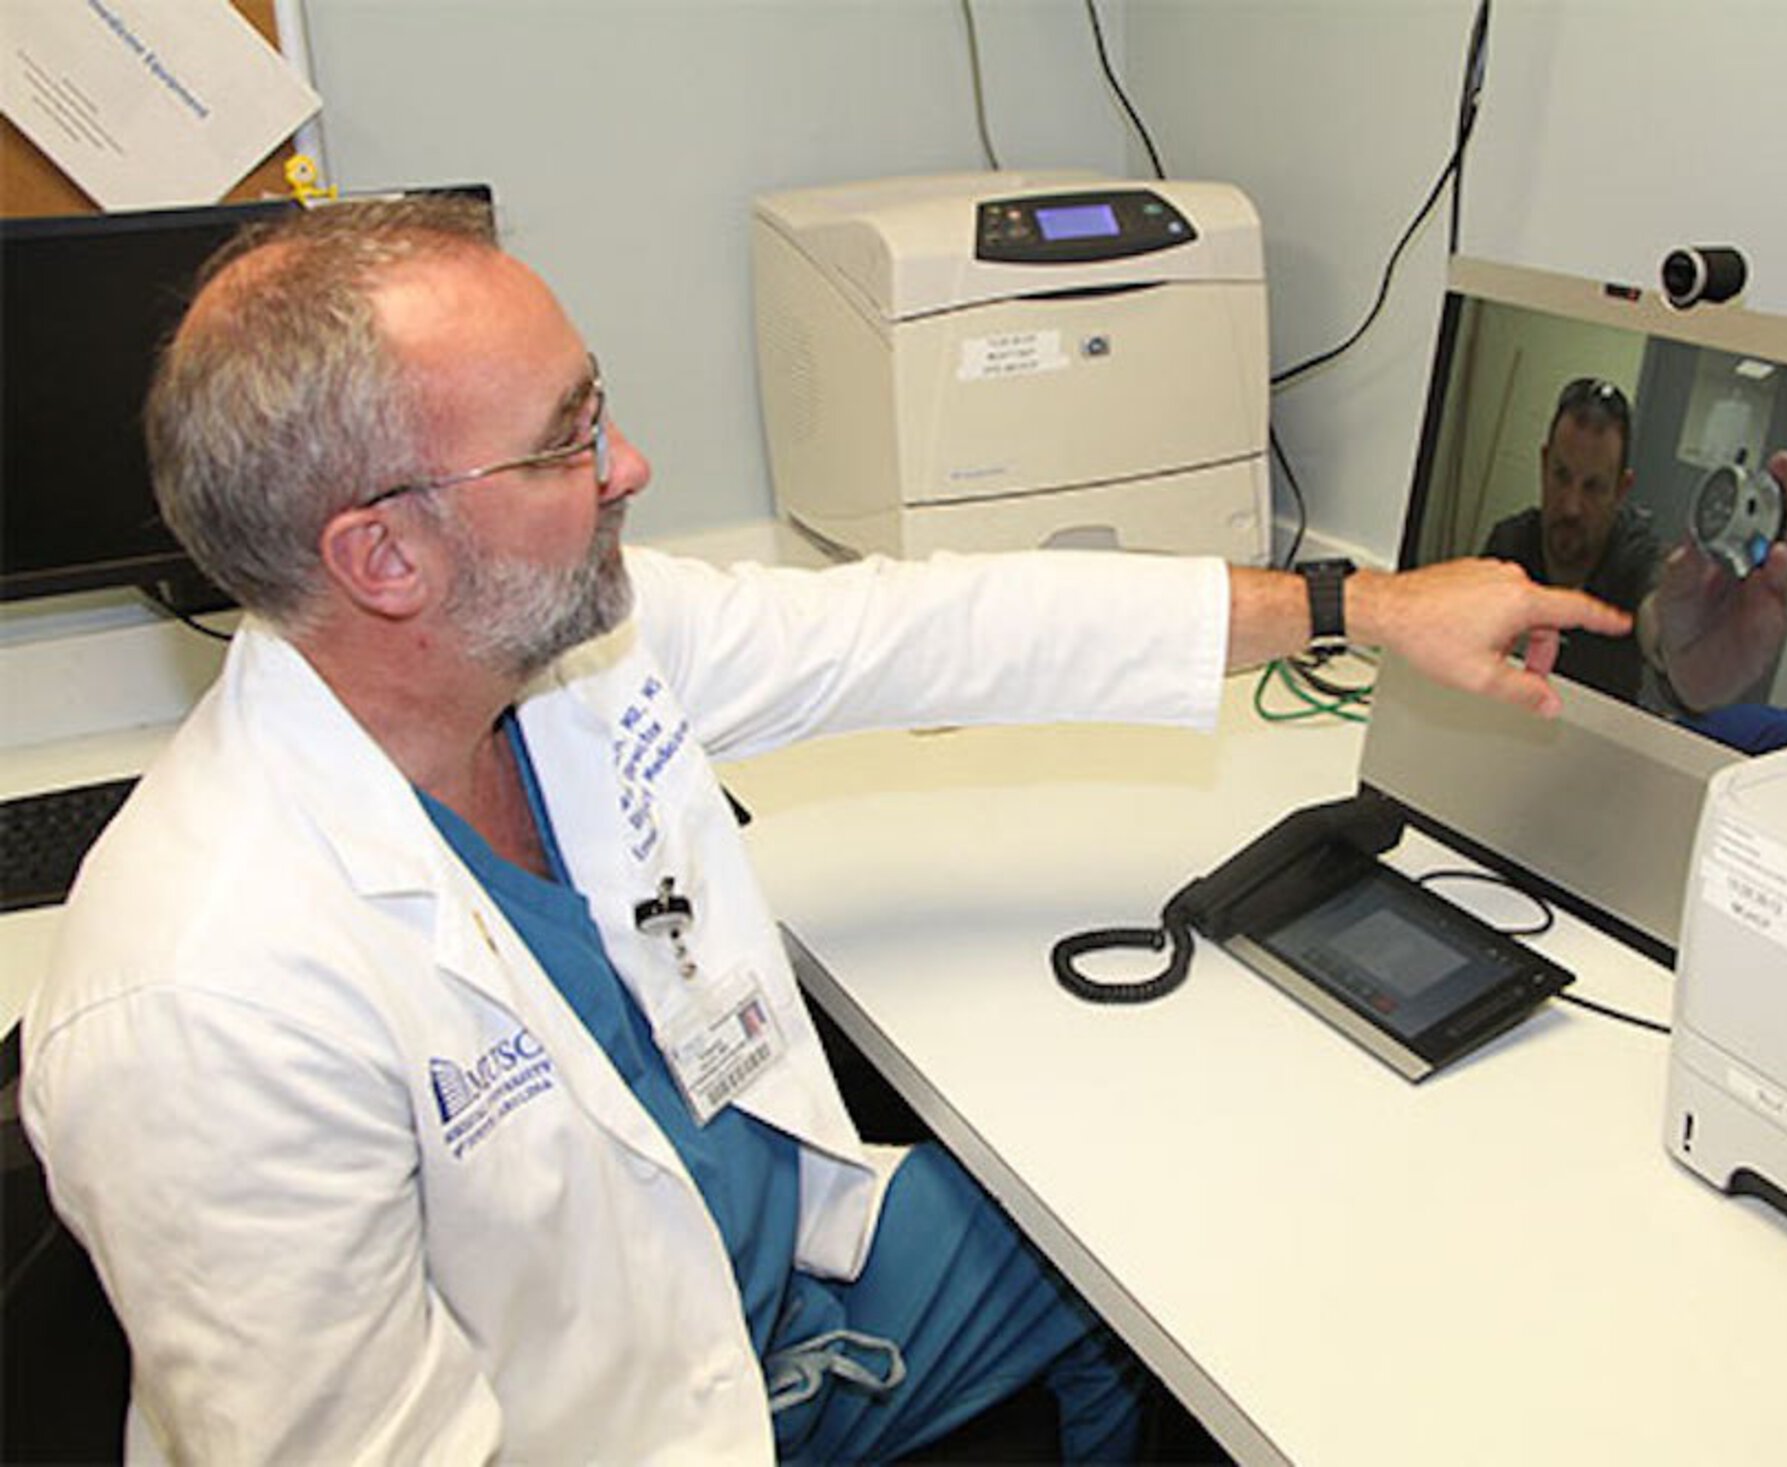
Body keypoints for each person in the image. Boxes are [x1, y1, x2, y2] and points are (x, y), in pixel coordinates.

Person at [18, 196, 1629, 1465]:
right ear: (384, 558)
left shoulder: (563, 656)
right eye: (567, 440)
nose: (630, 465)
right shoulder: (204, 1002)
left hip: (780, 1274)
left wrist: (1363, 606)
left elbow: (938, 628)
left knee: (1150, 1231)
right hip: (632, 1425)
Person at [1481, 376, 1787, 712]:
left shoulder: (1636, 559)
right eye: (1561, 476)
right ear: (1544, 464)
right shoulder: (1507, 546)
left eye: (1593, 487)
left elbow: (1656, 617)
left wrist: (1681, 652)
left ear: (1622, 489)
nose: (1571, 505)